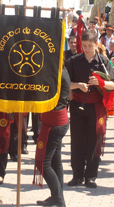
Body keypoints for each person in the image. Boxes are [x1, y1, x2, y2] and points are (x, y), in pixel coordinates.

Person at [67, 30, 114, 188]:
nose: (87, 48)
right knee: (76, 141)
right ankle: (77, 175)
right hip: (77, 105)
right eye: (84, 45)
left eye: (90, 45)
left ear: (96, 44)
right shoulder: (73, 60)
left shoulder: (103, 61)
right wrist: (78, 86)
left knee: (94, 142)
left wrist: (100, 83)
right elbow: (65, 83)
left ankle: (91, 176)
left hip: (96, 107)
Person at [34, 67, 70, 207]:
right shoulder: (59, 68)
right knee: (55, 161)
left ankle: (59, 200)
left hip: (54, 122)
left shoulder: (56, 71)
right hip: (55, 119)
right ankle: (56, 196)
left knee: (44, 163)